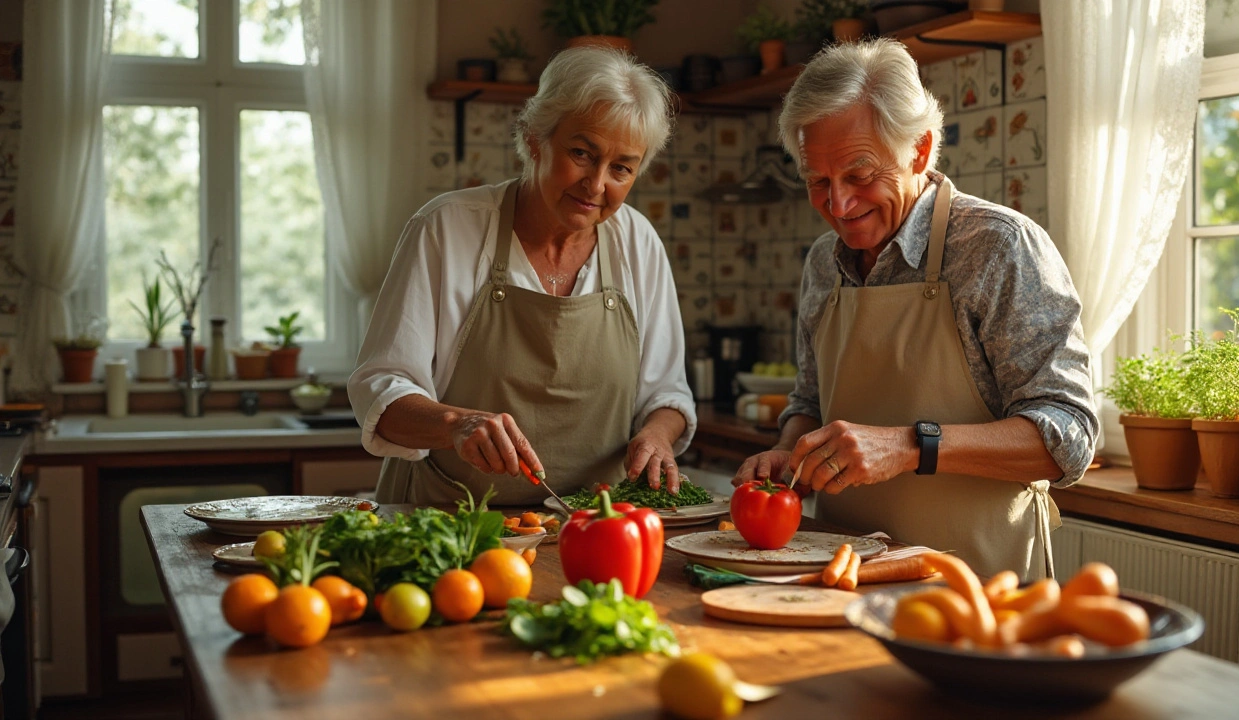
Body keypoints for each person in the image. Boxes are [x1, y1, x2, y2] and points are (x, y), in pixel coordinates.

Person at [734, 39, 1098, 580]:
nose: (838, 205)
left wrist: (910, 445)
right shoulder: (821, 263)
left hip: (978, 586)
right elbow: (811, 400)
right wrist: (789, 449)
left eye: (860, 175)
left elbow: (1069, 438)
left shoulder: (999, 247)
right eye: (818, 182)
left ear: (920, 150)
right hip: (841, 579)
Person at [349, 46, 695, 506]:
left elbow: (667, 392)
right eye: (581, 153)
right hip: (448, 526)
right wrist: (456, 425)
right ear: (534, 138)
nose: (596, 185)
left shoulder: (639, 243)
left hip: (591, 530)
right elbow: (381, 390)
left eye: (621, 168)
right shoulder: (446, 229)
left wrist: (656, 435)